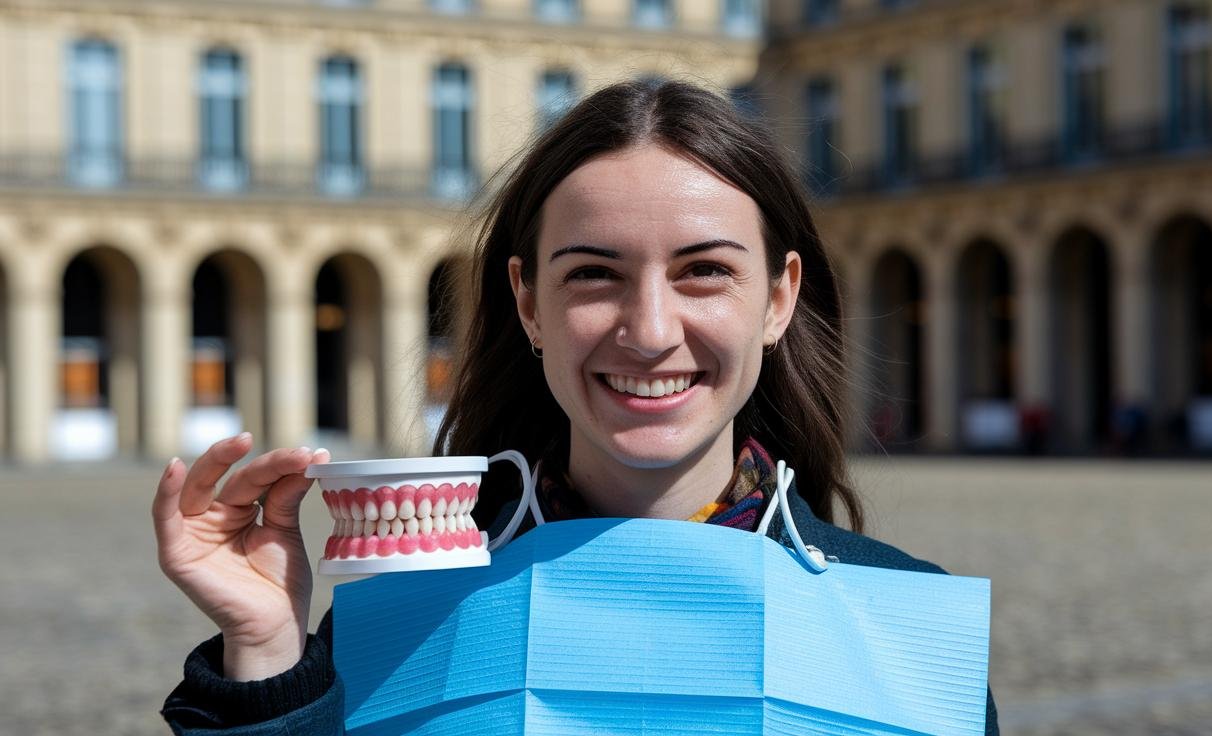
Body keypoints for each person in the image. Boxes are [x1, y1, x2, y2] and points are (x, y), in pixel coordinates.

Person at [154, 79, 1000, 735]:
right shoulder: (400, 613)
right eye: (593, 274)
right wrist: (267, 657)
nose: (649, 330)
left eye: (704, 270)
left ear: (778, 299)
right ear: (527, 302)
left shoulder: (902, 619)